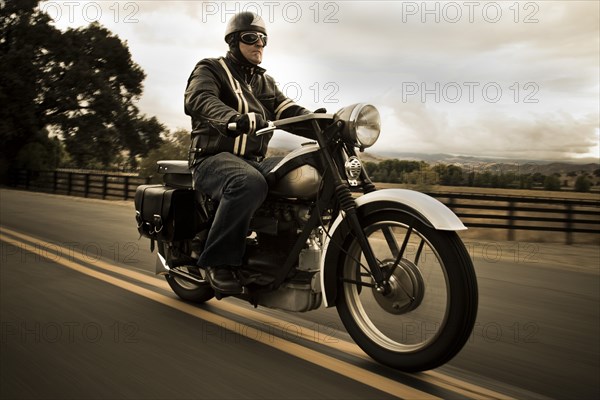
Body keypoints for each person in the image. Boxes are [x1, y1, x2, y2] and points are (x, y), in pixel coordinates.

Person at [184, 12, 315, 295]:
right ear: (233, 41)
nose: (259, 44)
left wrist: (324, 123)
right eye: (250, 37)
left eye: (263, 39)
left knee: (300, 170)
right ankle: (218, 262)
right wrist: (233, 118)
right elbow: (200, 99)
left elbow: (289, 112)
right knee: (248, 182)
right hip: (211, 158)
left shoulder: (264, 83)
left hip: (251, 161)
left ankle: (277, 256)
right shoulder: (210, 69)